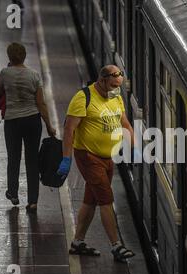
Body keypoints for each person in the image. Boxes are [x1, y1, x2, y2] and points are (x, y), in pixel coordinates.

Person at [58, 65, 136, 262]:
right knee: (106, 199)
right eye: (112, 86)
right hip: (88, 156)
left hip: (107, 157)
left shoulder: (116, 97)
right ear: (101, 81)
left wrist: (134, 147)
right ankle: (116, 246)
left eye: (118, 87)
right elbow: (69, 130)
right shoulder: (83, 98)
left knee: (90, 200)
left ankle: (77, 243)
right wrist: (66, 159)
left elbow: (124, 123)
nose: (115, 90)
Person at [0, 42, 56, 214]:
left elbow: (0, 92)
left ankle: (13, 193)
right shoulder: (34, 75)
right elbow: (41, 103)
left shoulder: (5, 73)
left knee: (13, 158)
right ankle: (33, 201)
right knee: (32, 161)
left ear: (9, 57)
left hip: (12, 122)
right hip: (32, 121)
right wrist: (49, 126)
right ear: (24, 56)